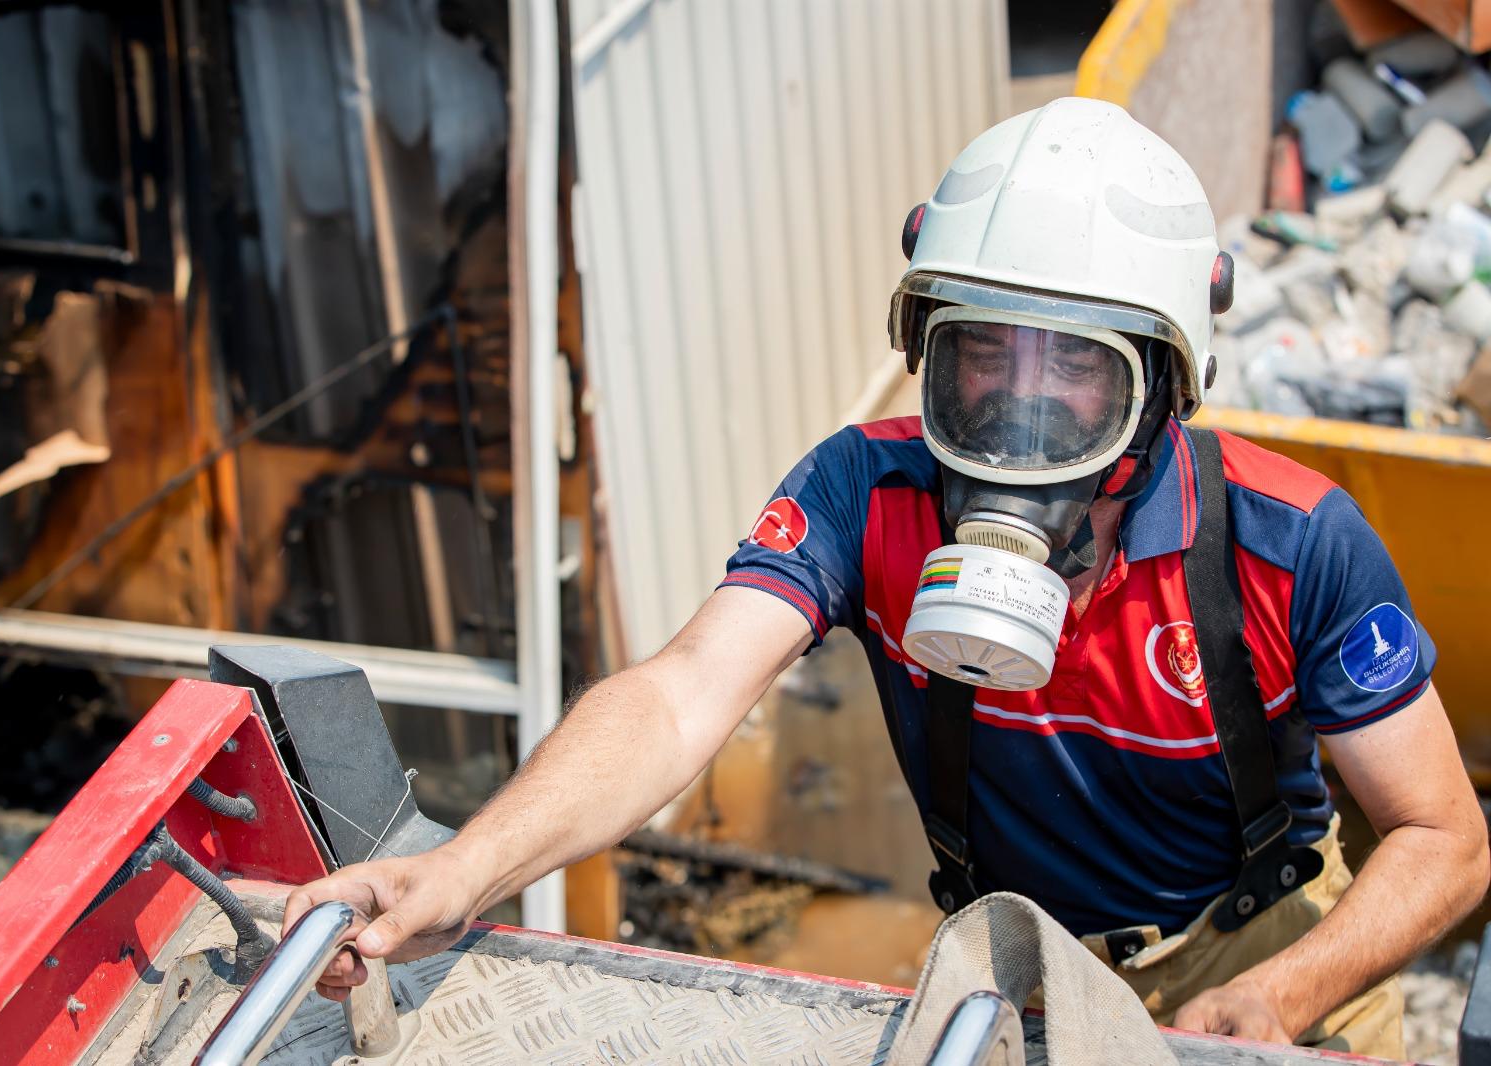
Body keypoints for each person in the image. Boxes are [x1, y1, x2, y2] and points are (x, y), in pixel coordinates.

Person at [283, 99, 1488, 1057]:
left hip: (1256, 953)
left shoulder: (1292, 544)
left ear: (1167, 385)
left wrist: (1283, 994)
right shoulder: (866, 493)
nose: (1019, 413)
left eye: (1077, 368)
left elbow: (1445, 835)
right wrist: (461, 866)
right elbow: (678, 696)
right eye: (980, 355)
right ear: (924, 349)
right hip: (1020, 967)